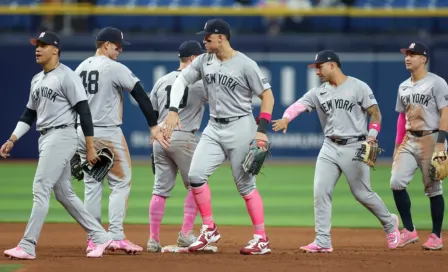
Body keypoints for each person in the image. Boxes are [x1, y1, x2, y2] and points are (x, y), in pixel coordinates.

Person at [163, 18, 275, 255]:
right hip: (214, 127)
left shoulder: (245, 64)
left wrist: (261, 129)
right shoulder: (204, 61)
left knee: (245, 185)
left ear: (221, 37)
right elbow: (182, 79)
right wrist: (173, 110)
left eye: (208, 37)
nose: (203, 41)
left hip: (241, 126)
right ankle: (209, 227)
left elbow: (267, 95)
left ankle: (261, 238)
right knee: (195, 175)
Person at [272, 50, 401, 253]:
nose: (317, 72)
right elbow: (298, 105)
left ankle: (390, 224)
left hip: (355, 146)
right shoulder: (319, 92)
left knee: (362, 194)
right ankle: (323, 240)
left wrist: (372, 135)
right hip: (329, 146)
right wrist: (287, 118)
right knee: (321, 191)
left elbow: (375, 113)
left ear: (332, 65)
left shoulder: (358, 86)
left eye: (319, 67)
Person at [1, 31, 113, 259]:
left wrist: (90, 146)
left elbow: (84, 111)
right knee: (64, 193)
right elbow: (28, 114)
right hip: (46, 137)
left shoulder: (67, 76)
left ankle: (27, 245)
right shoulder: (37, 79)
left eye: (43, 45)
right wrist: (13, 138)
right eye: (36, 45)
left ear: (56, 49)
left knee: (40, 187)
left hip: (62, 135)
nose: (37, 49)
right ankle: (101, 236)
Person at [74, 27, 169, 254]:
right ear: (105, 45)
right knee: (120, 183)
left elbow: (72, 104)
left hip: (82, 132)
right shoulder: (113, 68)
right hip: (107, 132)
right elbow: (140, 94)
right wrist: (154, 126)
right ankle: (115, 235)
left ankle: (94, 238)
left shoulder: (79, 68)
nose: (120, 50)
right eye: (117, 46)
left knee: (92, 185)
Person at [146, 40, 208, 252]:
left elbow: (152, 113)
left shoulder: (162, 81)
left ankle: (153, 240)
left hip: (161, 137)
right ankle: (185, 233)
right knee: (196, 186)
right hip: (184, 137)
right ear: (192, 59)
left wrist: (155, 135)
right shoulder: (200, 83)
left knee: (159, 191)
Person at [391, 42, 447, 250]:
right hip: (409, 138)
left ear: (424, 59)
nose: (407, 57)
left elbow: (446, 113)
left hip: (431, 138)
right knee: (396, 182)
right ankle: (409, 230)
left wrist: (441, 143)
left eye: (413, 54)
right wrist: (397, 145)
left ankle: (436, 236)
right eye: (406, 53)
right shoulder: (403, 86)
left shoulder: (437, 83)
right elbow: (401, 117)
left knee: (433, 189)